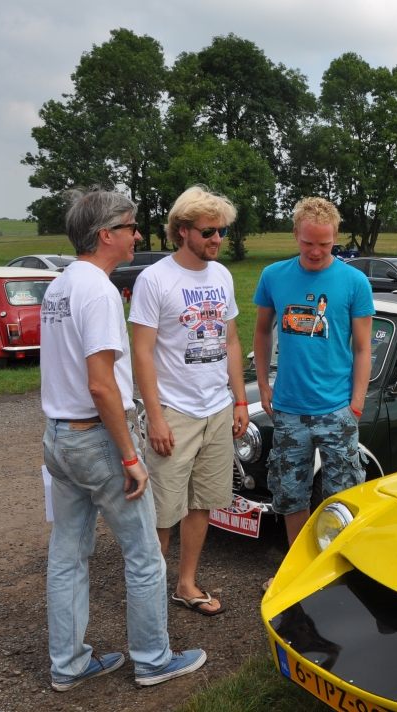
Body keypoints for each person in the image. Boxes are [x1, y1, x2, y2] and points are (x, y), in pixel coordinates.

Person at [40, 189, 206, 691]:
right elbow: (101, 384)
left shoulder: (61, 285)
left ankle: (68, 665)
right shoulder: (99, 291)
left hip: (59, 435)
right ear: (105, 234)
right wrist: (130, 456)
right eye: (130, 227)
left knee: (67, 557)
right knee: (144, 554)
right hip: (96, 438)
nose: (138, 235)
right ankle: (153, 660)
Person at [129, 186, 248, 617]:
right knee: (162, 511)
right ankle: (148, 602)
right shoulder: (155, 279)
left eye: (222, 231)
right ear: (182, 231)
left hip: (217, 408)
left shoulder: (222, 276)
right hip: (174, 412)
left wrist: (239, 401)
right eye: (209, 231)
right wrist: (155, 417)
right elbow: (142, 352)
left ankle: (185, 584)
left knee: (202, 503)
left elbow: (230, 341)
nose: (218, 239)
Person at [252, 197, 374, 564]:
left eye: (325, 243)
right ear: (295, 234)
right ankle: (300, 568)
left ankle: (337, 568)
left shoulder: (354, 281)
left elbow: (363, 348)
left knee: (343, 496)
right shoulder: (273, 275)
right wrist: (263, 384)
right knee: (291, 495)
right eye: (308, 243)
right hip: (289, 408)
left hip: (337, 408)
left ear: (336, 236)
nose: (316, 251)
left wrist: (356, 404)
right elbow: (262, 332)